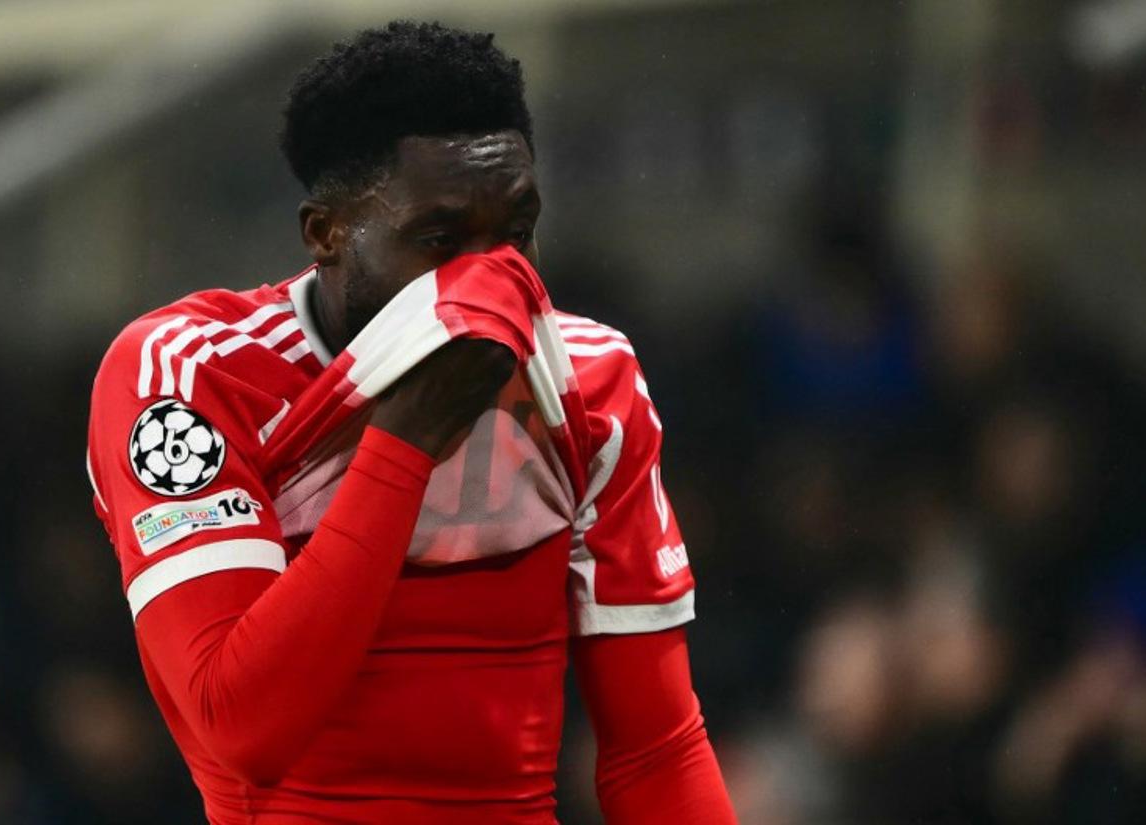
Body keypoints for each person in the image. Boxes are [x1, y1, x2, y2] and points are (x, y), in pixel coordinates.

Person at [86, 21, 736, 825]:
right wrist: (404, 439)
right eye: (440, 239)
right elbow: (239, 725)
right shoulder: (189, 377)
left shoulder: (589, 380)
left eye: (518, 229)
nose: (495, 278)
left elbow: (656, 749)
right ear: (326, 234)